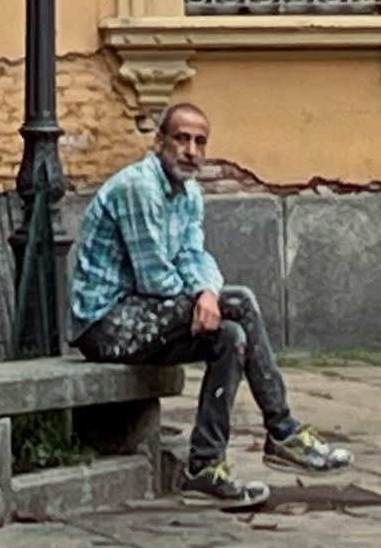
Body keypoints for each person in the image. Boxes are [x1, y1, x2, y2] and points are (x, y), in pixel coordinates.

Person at [70, 101, 351, 506]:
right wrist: (205, 298)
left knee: (230, 336)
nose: (191, 151)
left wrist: (205, 292)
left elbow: (193, 256)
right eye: (181, 139)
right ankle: (283, 430)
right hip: (106, 325)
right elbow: (154, 277)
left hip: (150, 314)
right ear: (159, 141)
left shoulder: (188, 194)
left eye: (200, 142)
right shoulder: (139, 187)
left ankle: (205, 466)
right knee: (240, 302)